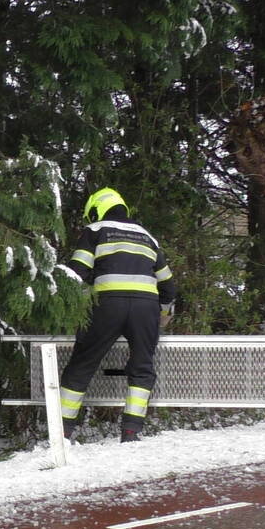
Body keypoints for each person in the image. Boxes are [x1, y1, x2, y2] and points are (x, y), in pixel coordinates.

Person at [59, 187, 176, 443]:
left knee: (81, 365)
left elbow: (76, 272)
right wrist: (164, 313)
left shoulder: (95, 230)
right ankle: (131, 432)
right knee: (142, 369)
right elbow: (168, 285)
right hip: (146, 307)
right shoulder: (147, 236)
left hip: (107, 304)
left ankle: (62, 433)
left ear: (96, 210)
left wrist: (72, 303)